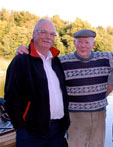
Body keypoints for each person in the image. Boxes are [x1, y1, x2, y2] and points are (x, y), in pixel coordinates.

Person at [16, 28, 113, 146]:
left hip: (99, 115)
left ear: (93, 44)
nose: (83, 45)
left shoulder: (106, 58)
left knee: (97, 145)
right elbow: (42, 59)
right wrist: (26, 50)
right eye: (79, 42)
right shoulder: (62, 62)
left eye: (87, 42)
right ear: (74, 43)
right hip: (75, 116)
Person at [4, 19, 70, 147]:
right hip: (31, 133)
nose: (48, 37)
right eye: (43, 32)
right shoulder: (21, 60)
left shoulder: (56, 61)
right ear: (34, 34)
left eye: (52, 34)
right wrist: (20, 127)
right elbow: (10, 97)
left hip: (57, 130)